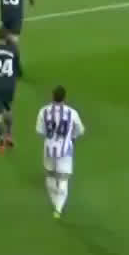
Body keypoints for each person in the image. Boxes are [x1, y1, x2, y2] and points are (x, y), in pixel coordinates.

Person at [36, 85, 85, 219]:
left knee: (50, 178)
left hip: (49, 149)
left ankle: (55, 205)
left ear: (52, 96)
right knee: (63, 180)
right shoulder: (72, 113)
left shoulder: (43, 111)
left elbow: (40, 131)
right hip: (65, 151)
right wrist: (71, 137)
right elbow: (80, 130)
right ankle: (58, 208)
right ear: (65, 97)